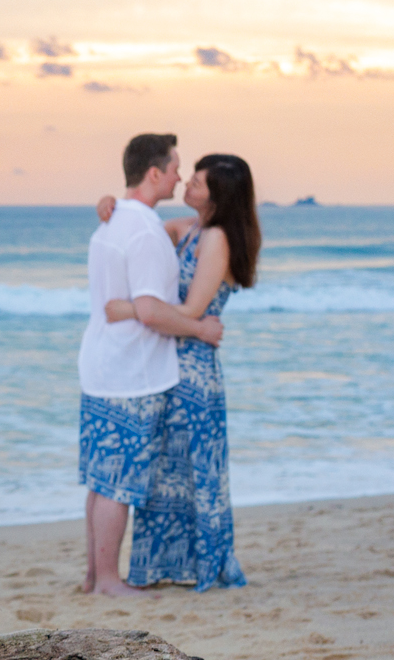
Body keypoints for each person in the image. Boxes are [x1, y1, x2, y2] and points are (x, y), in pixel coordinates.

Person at [96, 152, 260, 590]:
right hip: (170, 363)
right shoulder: (189, 229)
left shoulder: (217, 239)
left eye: (199, 184)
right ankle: (166, 567)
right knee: (167, 474)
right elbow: (141, 229)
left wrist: (131, 309)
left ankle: (203, 565)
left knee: (195, 473)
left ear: (219, 196)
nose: (187, 185)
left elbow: (192, 309)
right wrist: (114, 203)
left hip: (193, 371)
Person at [77, 133, 224, 596]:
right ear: (154, 173)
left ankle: (93, 576)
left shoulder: (113, 222)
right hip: (133, 374)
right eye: (176, 167)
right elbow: (153, 308)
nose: (180, 175)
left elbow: (138, 303)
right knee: (118, 483)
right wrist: (201, 329)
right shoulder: (142, 231)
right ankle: (107, 580)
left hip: (103, 364)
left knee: (102, 480)